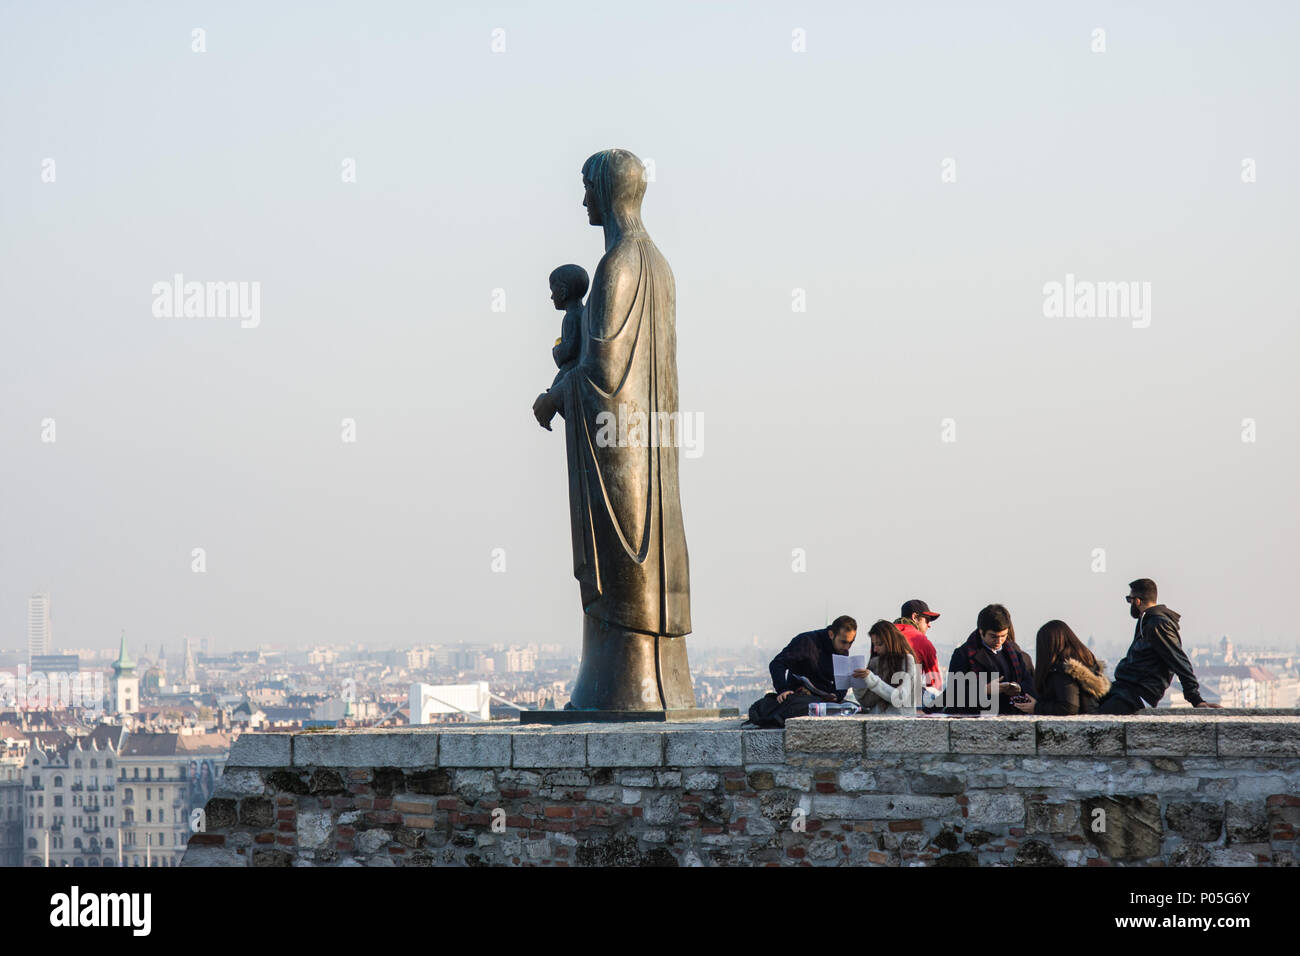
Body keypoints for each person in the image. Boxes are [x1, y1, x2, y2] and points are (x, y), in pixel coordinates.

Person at [1097, 578, 1220, 713]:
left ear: (1137, 601)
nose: (1129, 604)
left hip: (1137, 695)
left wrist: (1196, 699)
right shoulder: (1146, 621)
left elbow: (1179, 661)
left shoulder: (1157, 624)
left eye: (1129, 600)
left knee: (1095, 720)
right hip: (1126, 689)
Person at [945, 604, 1036, 714]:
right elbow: (952, 694)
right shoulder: (963, 655)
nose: (999, 641)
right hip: (978, 717)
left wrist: (1018, 688)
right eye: (993, 636)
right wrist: (985, 689)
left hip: (1012, 715)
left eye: (1003, 636)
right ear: (981, 632)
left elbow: (1031, 683)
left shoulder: (1015, 653)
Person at [1012, 620, 1109, 715]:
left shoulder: (1062, 670)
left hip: (1074, 728)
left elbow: (1069, 707)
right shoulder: (1088, 663)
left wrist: (1037, 707)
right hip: (1092, 722)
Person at [769, 615, 858, 704]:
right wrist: (783, 689)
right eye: (843, 642)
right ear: (831, 634)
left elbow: (841, 682)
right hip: (800, 698)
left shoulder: (843, 649)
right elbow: (777, 663)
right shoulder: (806, 641)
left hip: (824, 699)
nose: (847, 647)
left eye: (851, 642)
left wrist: (837, 696)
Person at [853, 620, 922, 715]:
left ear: (891, 642)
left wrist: (872, 680)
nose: (875, 649)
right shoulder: (875, 662)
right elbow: (867, 702)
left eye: (879, 644)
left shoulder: (906, 660)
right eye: (874, 644)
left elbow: (900, 697)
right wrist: (858, 684)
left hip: (900, 724)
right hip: (876, 724)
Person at [547, 264, 588, 381]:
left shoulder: (571, 317)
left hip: (571, 369)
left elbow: (570, 349)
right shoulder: (584, 312)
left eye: (553, 291)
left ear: (563, 292)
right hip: (578, 367)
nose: (551, 297)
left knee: (546, 399)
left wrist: (556, 350)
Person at [895, 599, 942, 691]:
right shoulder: (922, 642)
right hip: (908, 701)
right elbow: (935, 686)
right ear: (915, 617)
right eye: (927, 620)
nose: (929, 625)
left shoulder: (883, 636)